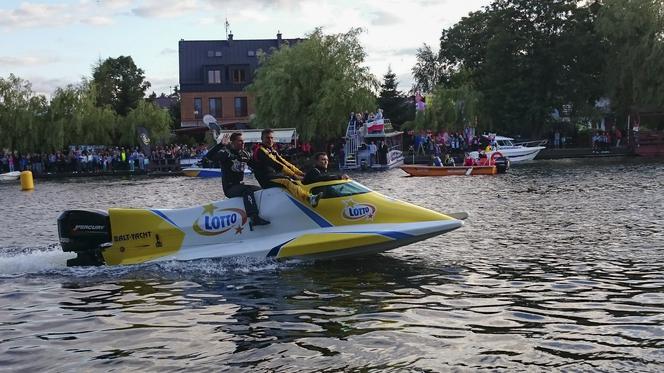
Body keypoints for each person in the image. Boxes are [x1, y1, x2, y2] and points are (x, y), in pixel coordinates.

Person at [204, 132, 270, 229]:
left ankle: (265, 212)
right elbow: (209, 156)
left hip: (240, 185)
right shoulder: (226, 153)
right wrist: (221, 145)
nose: (243, 143)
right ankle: (254, 218)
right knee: (247, 190)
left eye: (243, 141)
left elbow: (257, 166)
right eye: (240, 141)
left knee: (261, 190)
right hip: (230, 188)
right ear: (232, 142)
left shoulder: (244, 154)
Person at [252, 128, 322, 207]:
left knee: (294, 179)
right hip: (265, 180)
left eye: (272, 138)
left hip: (272, 176)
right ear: (262, 139)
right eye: (267, 138)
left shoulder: (271, 150)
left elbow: (285, 163)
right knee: (287, 180)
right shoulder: (260, 151)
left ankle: (309, 194)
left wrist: (300, 173)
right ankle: (309, 198)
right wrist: (294, 176)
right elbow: (277, 165)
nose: (270, 140)